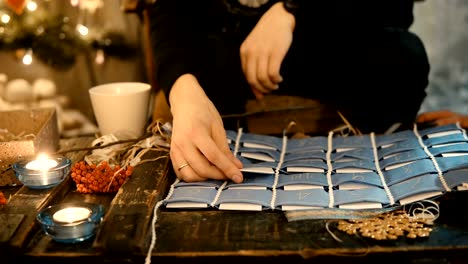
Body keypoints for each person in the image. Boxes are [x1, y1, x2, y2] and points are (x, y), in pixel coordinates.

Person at [147, 0, 430, 183]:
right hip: (229, 56)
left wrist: (292, 11)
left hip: (328, 42)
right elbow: (169, 13)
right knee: (194, 72)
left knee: (402, 57)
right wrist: (182, 88)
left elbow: (397, 9)